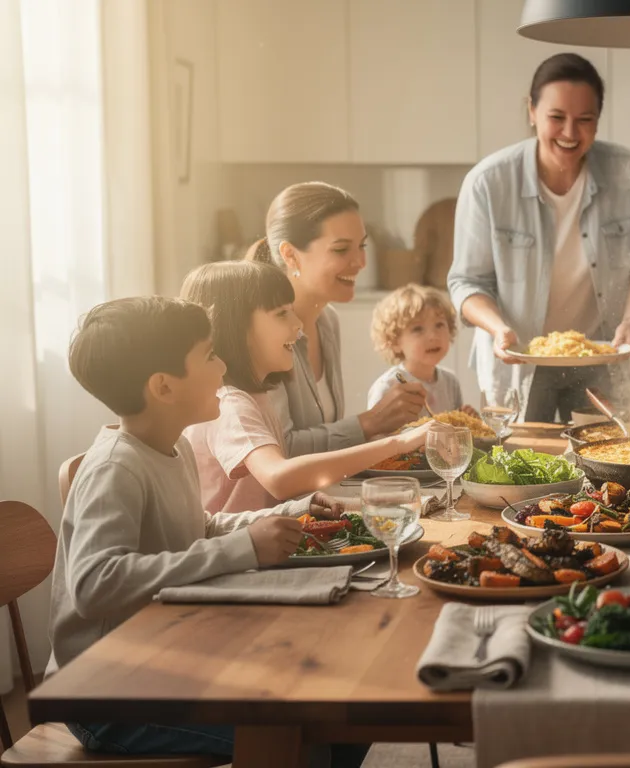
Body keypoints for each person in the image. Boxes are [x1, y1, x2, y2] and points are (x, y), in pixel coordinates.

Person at [51, 296, 366, 766]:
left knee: (341, 710)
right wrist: (245, 548)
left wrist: (289, 516)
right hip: (108, 694)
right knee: (307, 742)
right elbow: (96, 584)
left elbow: (197, 528)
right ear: (163, 386)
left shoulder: (172, 445)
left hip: (163, 658)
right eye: (209, 355)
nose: (223, 367)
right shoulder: (115, 468)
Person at [448, 53, 630, 422]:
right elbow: (467, 282)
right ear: (531, 110)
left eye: (585, 120)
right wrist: (499, 329)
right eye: (556, 117)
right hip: (517, 359)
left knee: (601, 460)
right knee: (520, 466)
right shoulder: (488, 182)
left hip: (598, 353)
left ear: (598, 121)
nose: (570, 133)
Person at [182, 261, 432, 514]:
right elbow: (280, 479)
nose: (298, 325)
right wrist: (400, 443)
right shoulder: (232, 405)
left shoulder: (258, 396)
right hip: (238, 551)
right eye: (281, 314)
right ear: (236, 326)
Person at [246, 181, 427, 453]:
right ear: (291, 255)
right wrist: (370, 422)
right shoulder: (263, 332)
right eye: (341, 250)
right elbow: (282, 449)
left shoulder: (327, 320)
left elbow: (325, 437)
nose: (360, 262)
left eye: (362, 246)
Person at [367, 284, 468, 415]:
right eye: (418, 329)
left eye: (439, 325)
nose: (433, 336)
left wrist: (467, 420)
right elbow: (374, 433)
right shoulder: (388, 387)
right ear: (394, 341)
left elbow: (456, 430)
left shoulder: (450, 383)